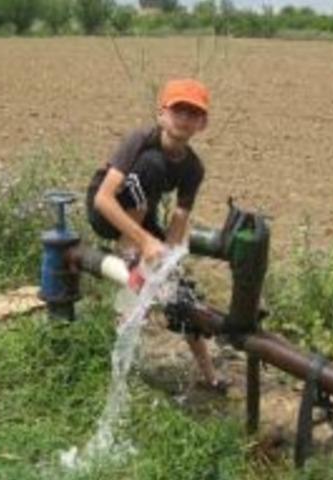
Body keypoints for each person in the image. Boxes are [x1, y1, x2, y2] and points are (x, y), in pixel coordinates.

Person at [86, 78, 227, 393]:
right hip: (108, 212)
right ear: (162, 114)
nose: (184, 119)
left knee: (179, 286)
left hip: (142, 214)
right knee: (153, 166)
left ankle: (210, 375)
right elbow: (103, 199)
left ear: (202, 123)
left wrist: (169, 261)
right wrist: (144, 242)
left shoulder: (194, 168)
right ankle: (127, 249)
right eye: (178, 111)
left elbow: (179, 220)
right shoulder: (140, 140)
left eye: (193, 113)